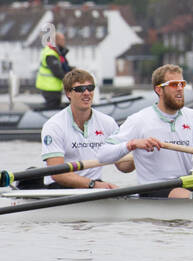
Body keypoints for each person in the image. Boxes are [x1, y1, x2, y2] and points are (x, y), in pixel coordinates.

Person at [106, 64, 193, 198]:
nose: (180, 89)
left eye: (182, 84)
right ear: (159, 90)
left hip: (188, 184)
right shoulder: (139, 120)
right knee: (192, 196)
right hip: (154, 187)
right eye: (174, 84)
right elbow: (103, 154)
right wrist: (132, 144)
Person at [34, 69, 162, 190]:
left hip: (93, 186)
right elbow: (57, 174)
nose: (86, 93)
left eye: (90, 88)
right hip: (61, 187)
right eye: (80, 89)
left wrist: (137, 149)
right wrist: (93, 185)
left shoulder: (107, 122)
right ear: (68, 93)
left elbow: (123, 167)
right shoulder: (54, 125)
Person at [36, 31, 72, 109]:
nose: (64, 42)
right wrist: (71, 80)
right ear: (55, 41)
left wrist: (73, 71)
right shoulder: (50, 54)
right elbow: (58, 72)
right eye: (62, 40)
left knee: (56, 106)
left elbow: (64, 67)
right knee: (53, 108)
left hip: (54, 87)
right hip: (49, 87)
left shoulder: (57, 53)